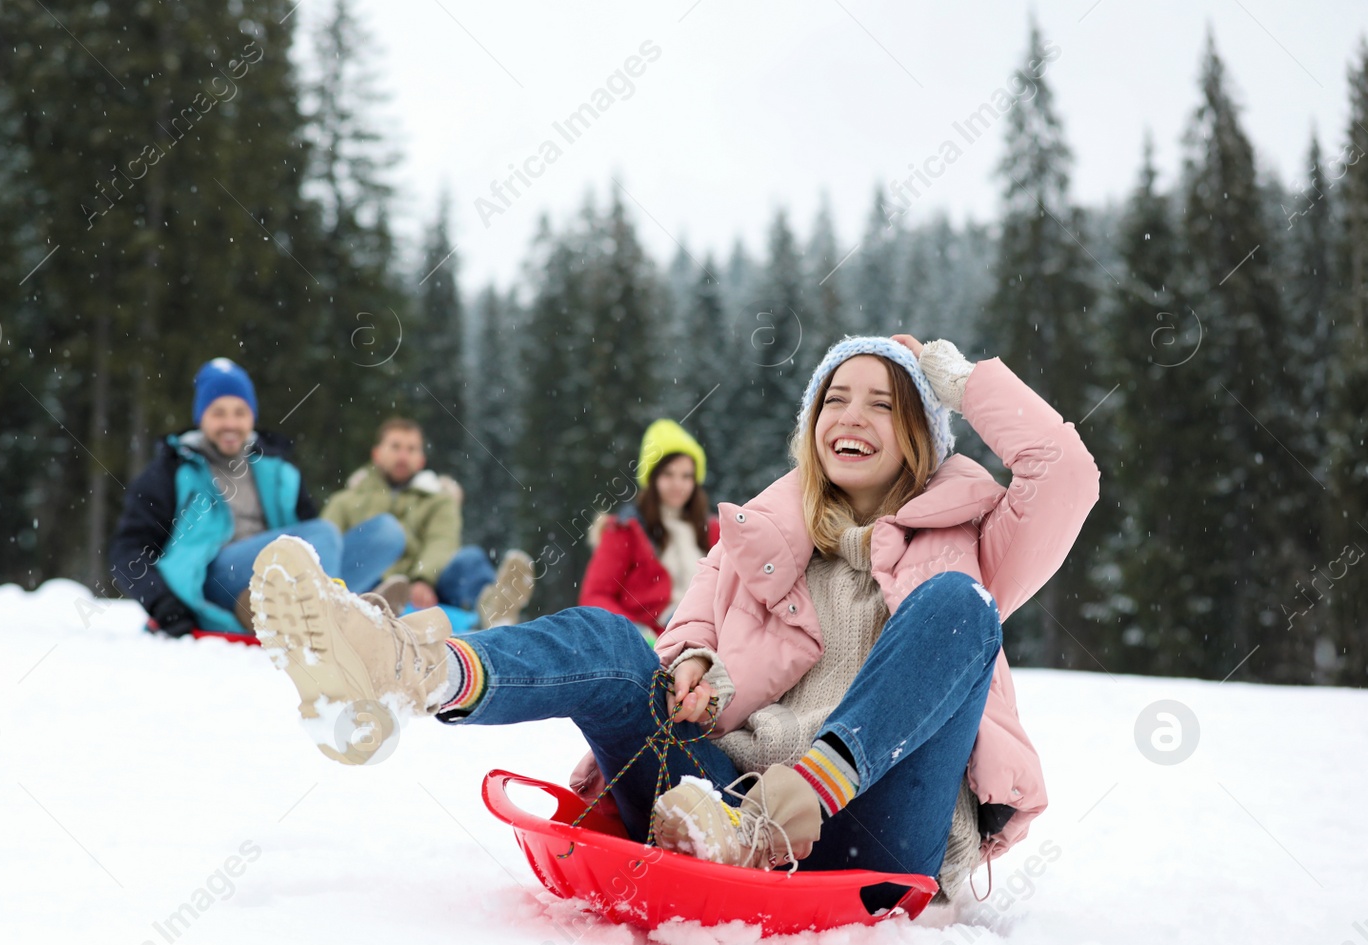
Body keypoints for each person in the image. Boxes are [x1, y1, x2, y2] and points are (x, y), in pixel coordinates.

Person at [248, 334, 1099, 908]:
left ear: (922, 431)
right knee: (617, 644)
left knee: (957, 608)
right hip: (717, 803)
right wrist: (694, 665)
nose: (853, 415)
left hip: (873, 824)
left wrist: (955, 377)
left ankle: (791, 805)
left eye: (884, 402)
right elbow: (683, 635)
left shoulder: (974, 539)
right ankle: (406, 669)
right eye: (836, 397)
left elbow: (1066, 476)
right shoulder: (755, 539)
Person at [108, 358, 406, 636]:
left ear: (252, 415)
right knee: (322, 533)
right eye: (219, 413)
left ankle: (315, 608)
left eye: (239, 413)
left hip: (282, 575)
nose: (230, 424)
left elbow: (315, 543)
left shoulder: (278, 471)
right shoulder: (173, 470)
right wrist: (162, 603)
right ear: (201, 417)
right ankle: (345, 614)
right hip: (214, 577)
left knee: (387, 532)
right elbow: (128, 549)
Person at [321, 417, 534, 628]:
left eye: (411, 449)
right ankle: (379, 604)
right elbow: (327, 546)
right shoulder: (345, 501)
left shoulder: (439, 499)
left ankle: (492, 607)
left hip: (430, 586)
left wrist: (423, 578)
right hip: (370, 584)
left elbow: (442, 541)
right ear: (376, 454)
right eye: (395, 447)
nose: (403, 456)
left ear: (421, 459)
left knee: (469, 559)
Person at [580, 418, 720, 642]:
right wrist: (634, 632)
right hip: (655, 640)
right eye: (668, 474)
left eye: (686, 476)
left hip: (711, 632)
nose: (678, 484)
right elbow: (595, 596)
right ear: (652, 478)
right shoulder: (624, 531)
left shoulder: (714, 531)